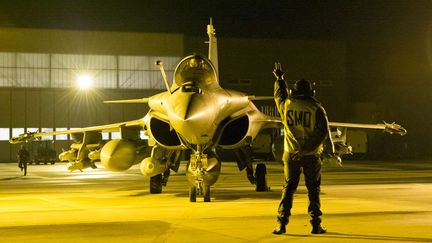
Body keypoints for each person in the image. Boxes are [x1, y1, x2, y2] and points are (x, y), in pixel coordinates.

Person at [272, 63, 333, 234]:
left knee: (288, 188)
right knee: (313, 190)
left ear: (294, 91)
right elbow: (322, 133)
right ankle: (315, 225)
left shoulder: (287, 106)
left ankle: (281, 223)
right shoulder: (317, 108)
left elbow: (279, 96)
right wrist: (306, 148)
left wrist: (279, 80)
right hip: (311, 155)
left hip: (290, 154)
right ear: (311, 92)